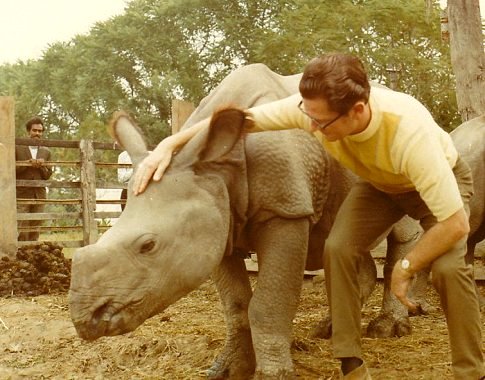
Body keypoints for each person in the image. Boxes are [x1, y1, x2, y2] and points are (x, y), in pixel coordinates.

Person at [131, 53, 484, 379]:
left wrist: (405, 270)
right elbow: (245, 120)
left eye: (321, 122)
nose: (311, 128)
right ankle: (351, 362)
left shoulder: (410, 135)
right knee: (339, 249)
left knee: (449, 269)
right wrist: (168, 144)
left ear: (358, 111)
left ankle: (471, 371)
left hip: (435, 184)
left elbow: (456, 224)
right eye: (307, 115)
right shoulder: (313, 111)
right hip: (379, 184)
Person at [15, 116, 53, 241]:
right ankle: (20, 255)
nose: (37, 133)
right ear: (28, 131)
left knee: (36, 227)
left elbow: (48, 175)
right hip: (22, 194)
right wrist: (27, 163)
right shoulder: (17, 147)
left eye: (40, 131)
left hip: (39, 195)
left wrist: (42, 166)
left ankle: (34, 256)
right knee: (22, 228)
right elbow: (10, 170)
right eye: (34, 130)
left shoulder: (46, 151)